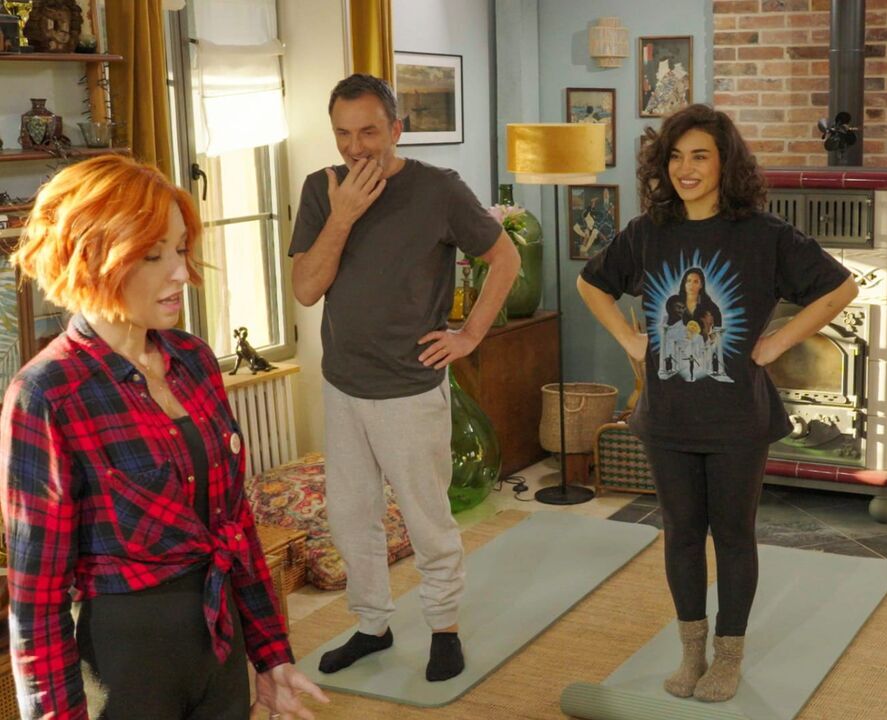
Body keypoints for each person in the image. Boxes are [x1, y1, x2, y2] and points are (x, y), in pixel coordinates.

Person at [0, 154, 327, 719]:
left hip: (219, 647)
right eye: (154, 256)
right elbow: (37, 600)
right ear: (94, 259)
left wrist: (270, 654)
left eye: (179, 249)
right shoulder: (48, 393)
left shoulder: (193, 359)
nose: (182, 273)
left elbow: (235, 525)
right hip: (126, 664)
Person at [577, 104, 858, 702]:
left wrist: (776, 343)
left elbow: (841, 287)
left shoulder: (764, 235)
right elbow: (591, 283)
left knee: (732, 536)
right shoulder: (647, 232)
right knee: (681, 534)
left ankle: (728, 655)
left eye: (700, 156)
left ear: (725, 163)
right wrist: (629, 339)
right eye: (675, 157)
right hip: (667, 419)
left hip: (736, 422)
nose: (686, 169)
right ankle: (691, 651)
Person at [289, 74, 518, 682]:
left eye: (368, 132)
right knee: (351, 519)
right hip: (343, 385)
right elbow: (307, 289)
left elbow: (505, 257)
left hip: (411, 389)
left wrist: (469, 336)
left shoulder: (438, 190)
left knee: (426, 519)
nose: (355, 147)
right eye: (343, 134)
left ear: (396, 129)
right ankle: (372, 625)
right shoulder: (321, 190)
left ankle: (444, 628)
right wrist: (343, 216)